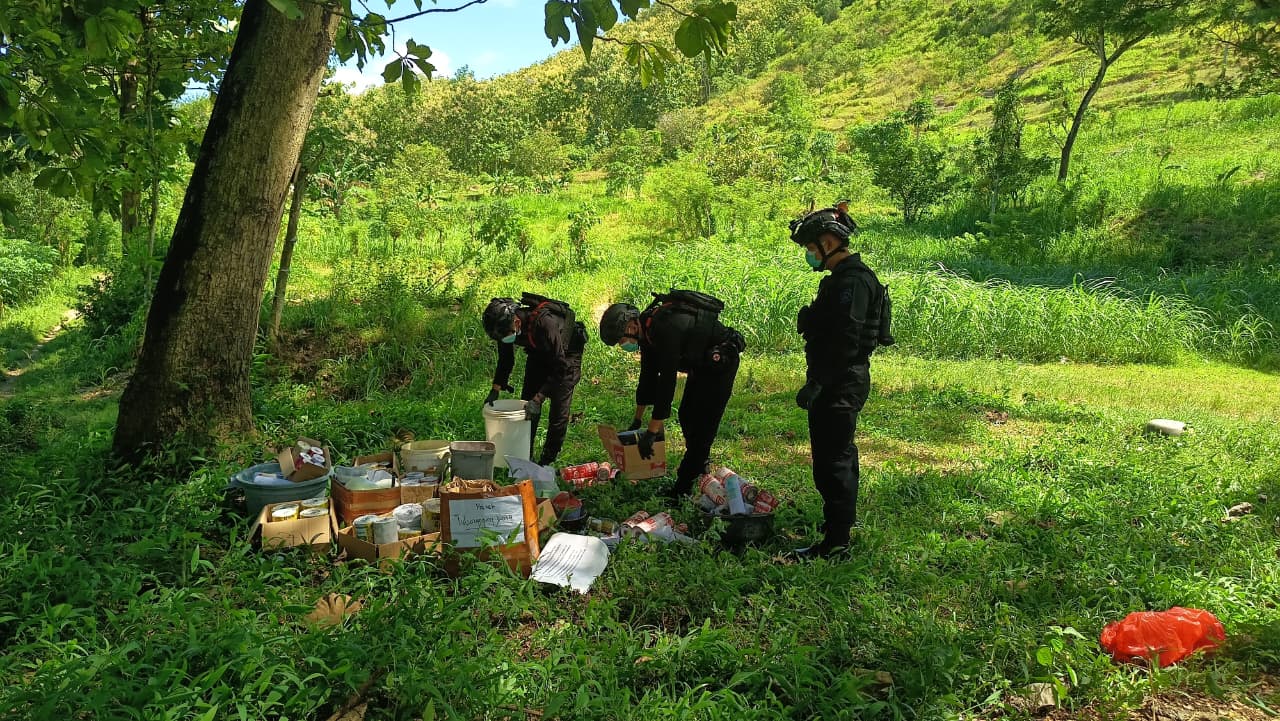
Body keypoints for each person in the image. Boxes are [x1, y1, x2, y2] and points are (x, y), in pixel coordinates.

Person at [790, 206, 892, 559]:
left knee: (834, 461)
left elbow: (846, 343)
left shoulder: (853, 281)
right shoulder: (841, 278)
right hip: (834, 379)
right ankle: (835, 526)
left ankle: (836, 543)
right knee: (830, 457)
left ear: (830, 242)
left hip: (840, 382)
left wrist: (818, 381)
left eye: (812, 248)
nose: (809, 255)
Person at [599, 290, 745, 498]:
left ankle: (682, 488)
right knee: (686, 414)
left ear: (631, 326)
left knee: (703, 426)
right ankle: (700, 464)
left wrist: (651, 433)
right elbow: (647, 378)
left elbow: (667, 383)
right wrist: (637, 420)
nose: (623, 345)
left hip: (721, 363)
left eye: (621, 340)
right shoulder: (647, 333)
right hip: (701, 366)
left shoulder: (665, 329)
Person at [482, 293, 588, 466]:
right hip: (539, 351)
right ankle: (525, 455)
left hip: (566, 356)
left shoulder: (544, 323)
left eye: (505, 335)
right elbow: (505, 359)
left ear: (516, 322)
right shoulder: (503, 328)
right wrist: (495, 388)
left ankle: (547, 461)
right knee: (527, 405)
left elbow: (560, 367)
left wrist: (540, 398)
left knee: (558, 412)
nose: (504, 339)